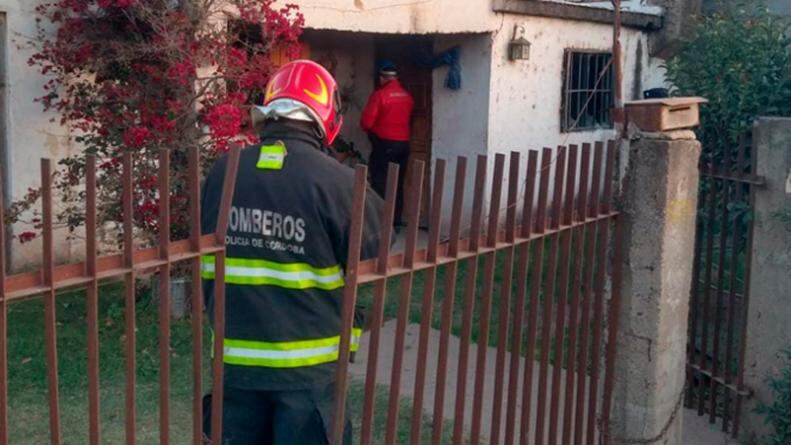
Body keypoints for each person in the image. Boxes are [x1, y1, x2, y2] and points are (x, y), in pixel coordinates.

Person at [200, 60, 384, 444]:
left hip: (235, 366)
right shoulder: (342, 185)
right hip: (309, 374)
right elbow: (372, 256)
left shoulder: (223, 173)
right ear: (326, 115)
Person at [361, 60, 415, 228]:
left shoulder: (380, 96)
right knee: (397, 184)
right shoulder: (407, 97)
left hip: (384, 146)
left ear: (382, 78)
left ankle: (380, 223)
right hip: (404, 145)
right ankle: (396, 222)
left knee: (380, 183)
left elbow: (366, 123)